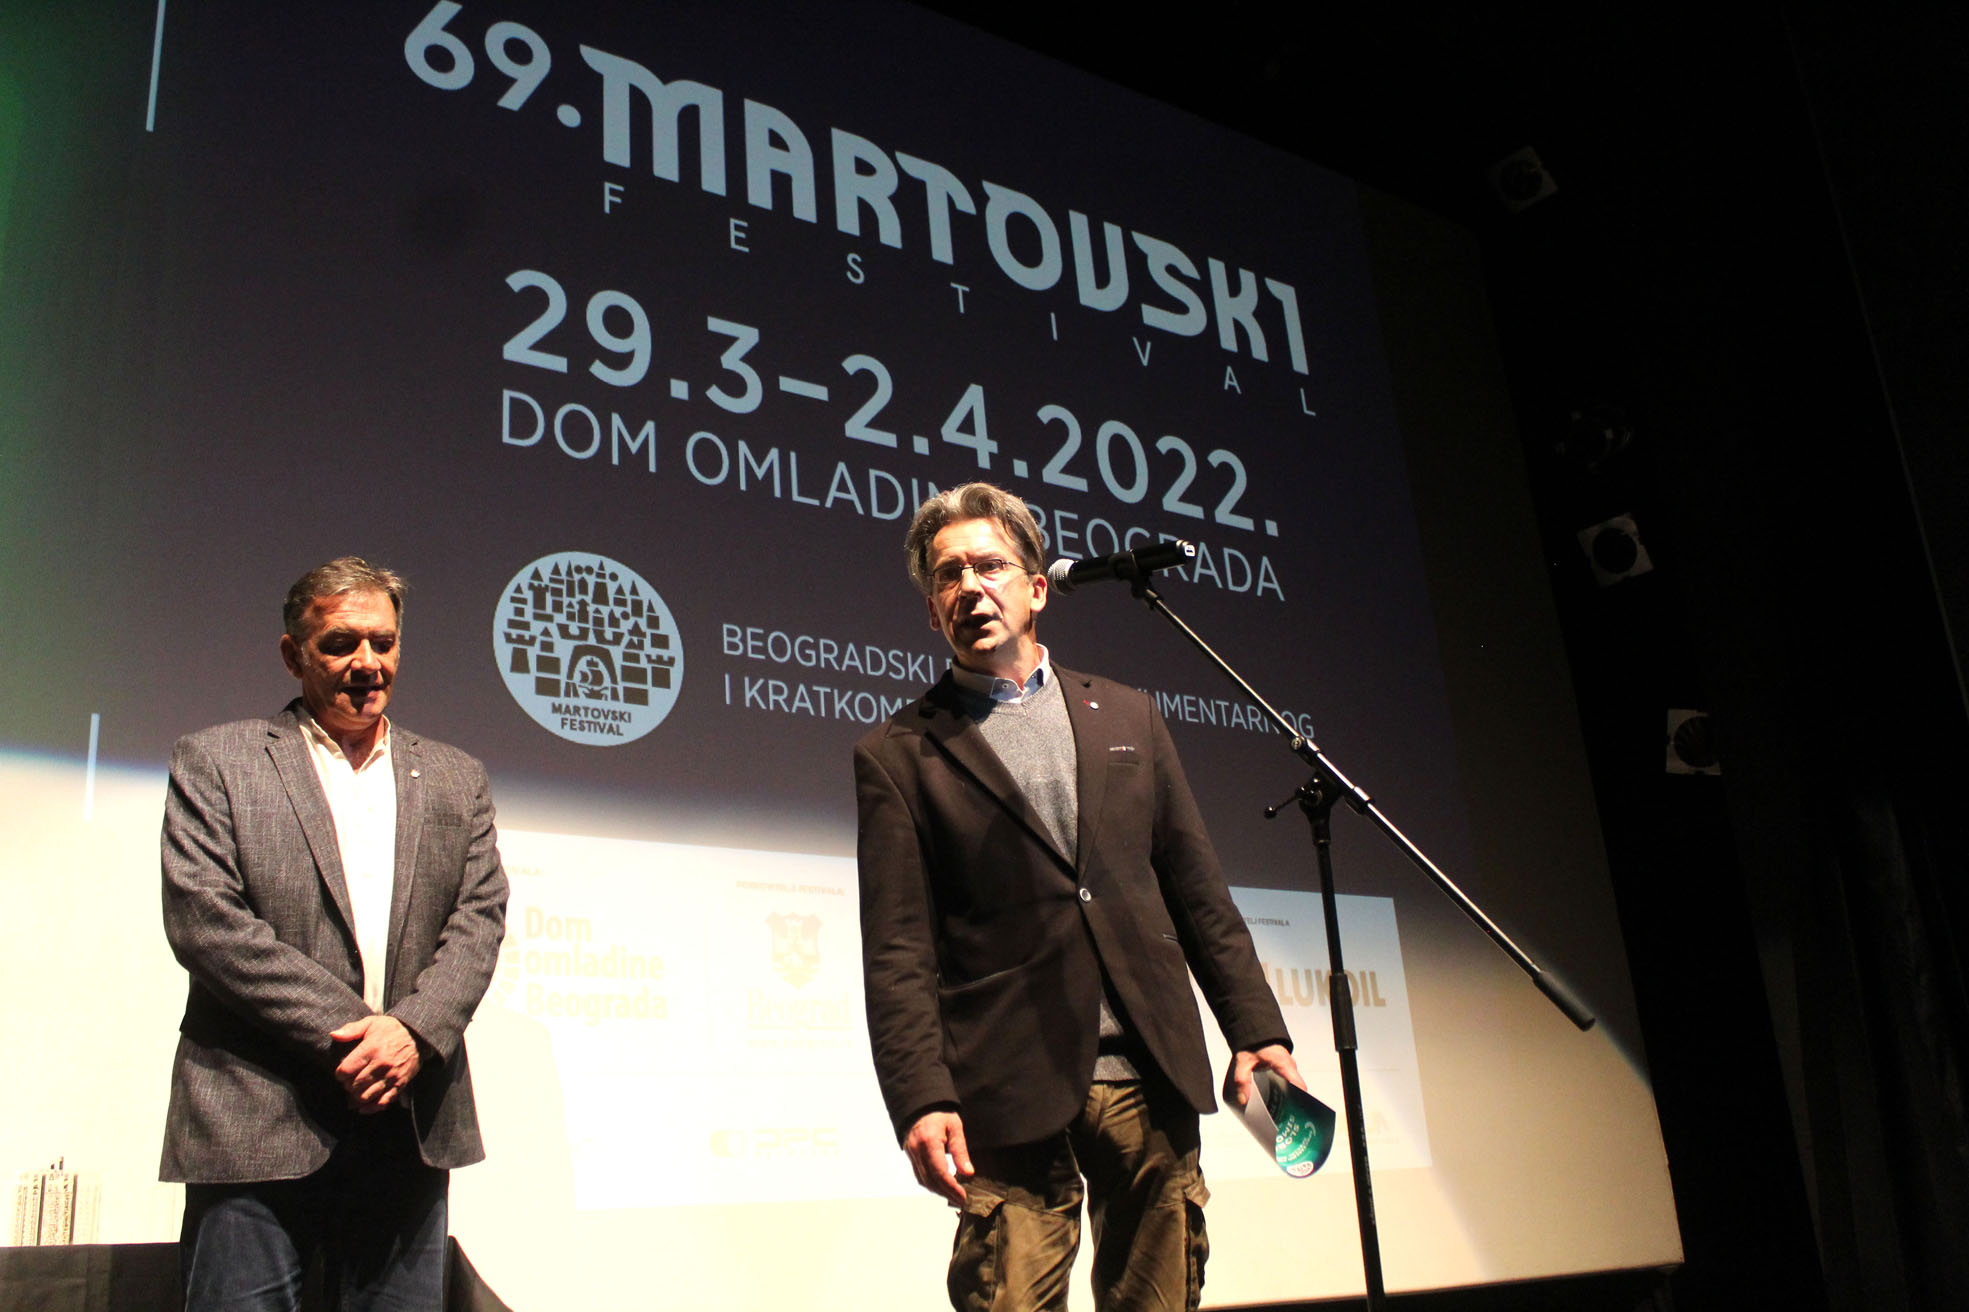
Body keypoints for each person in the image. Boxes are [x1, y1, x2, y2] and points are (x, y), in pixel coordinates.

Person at [854, 484, 1304, 1311]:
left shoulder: (1127, 715)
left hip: (1147, 1068)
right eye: (948, 576)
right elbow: (897, 951)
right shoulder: (899, 752)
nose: (969, 587)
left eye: (989, 566)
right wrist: (920, 1096)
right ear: (931, 611)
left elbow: (1197, 892)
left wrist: (1256, 1030)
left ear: (1037, 588)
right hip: (1006, 1079)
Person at [160, 557, 508, 1311]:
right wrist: (363, 1037)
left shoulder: (456, 777)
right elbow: (205, 921)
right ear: (294, 654)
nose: (367, 662)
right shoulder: (217, 761)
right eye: (341, 644)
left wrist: (413, 1033)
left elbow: (479, 917)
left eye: (383, 642)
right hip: (255, 1115)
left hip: (406, 1121)